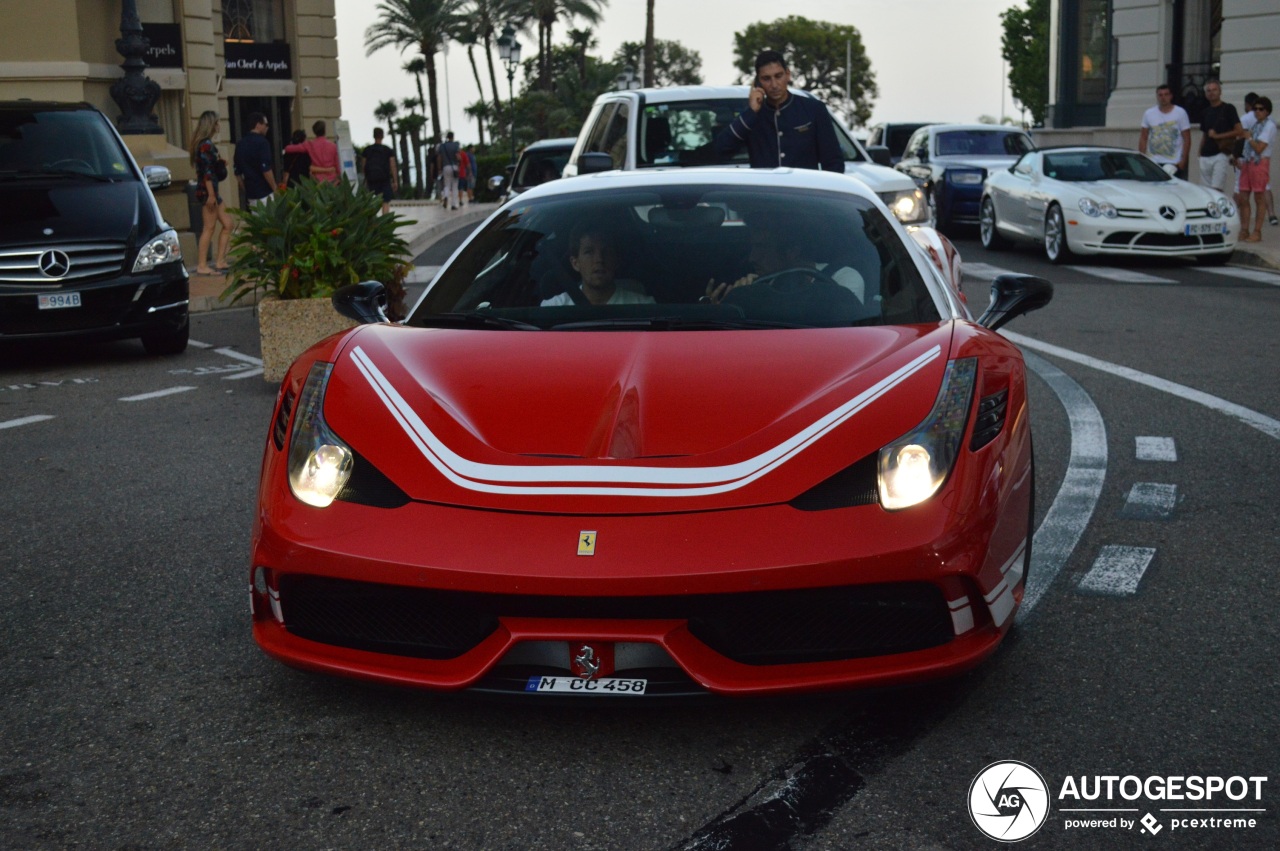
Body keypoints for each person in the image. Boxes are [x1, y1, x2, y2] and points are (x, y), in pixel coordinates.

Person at [713, 49, 844, 172]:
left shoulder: (813, 109)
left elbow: (833, 162)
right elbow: (720, 150)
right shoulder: (752, 118)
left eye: (778, 76)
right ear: (758, 82)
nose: (774, 85)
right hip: (765, 194)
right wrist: (751, 112)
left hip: (805, 192)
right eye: (766, 79)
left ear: (787, 75)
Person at [704, 220, 866, 305]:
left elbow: (842, 328)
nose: (753, 258)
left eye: (763, 248)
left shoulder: (843, 278)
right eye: (753, 248)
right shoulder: (756, 285)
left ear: (792, 251)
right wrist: (733, 305)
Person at [540, 225, 654, 306]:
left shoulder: (644, 306)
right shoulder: (553, 308)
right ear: (575, 263)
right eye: (589, 252)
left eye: (606, 252)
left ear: (616, 261)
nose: (599, 259)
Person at [187, 110, 233, 275]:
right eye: (217, 122)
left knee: (227, 224)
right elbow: (206, 173)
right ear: (211, 124)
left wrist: (219, 163)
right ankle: (202, 265)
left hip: (211, 190)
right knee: (209, 227)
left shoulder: (204, 144)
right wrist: (211, 195)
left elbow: (208, 169)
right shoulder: (206, 145)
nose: (218, 125)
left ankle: (220, 260)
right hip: (209, 192)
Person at [1235, 92, 1278, 227]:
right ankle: (1245, 228)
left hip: (1260, 162)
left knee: (1259, 197)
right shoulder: (1255, 125)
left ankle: (1257, 230)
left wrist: (1248, 137)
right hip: (1248, 161)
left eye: (1261, 109)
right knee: (1243, 195)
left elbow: (1259, 148)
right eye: (1255, 109)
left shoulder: (1269, 125)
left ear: (1267, 111)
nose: (1257, 112)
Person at [1197, 80, 1242, 195]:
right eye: (1208, 91)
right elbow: (1204, 134)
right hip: (1205, 155)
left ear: (1220, 92)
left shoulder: (1228, 108)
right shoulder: (1205, 112)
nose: (1211, 93)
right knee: (1205, 192)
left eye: (1214, 90)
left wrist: (1218, 136)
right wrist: (1199, 152)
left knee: (1217, 189)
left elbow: (1238, 130)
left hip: (1220, 153)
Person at [1139, 84, 1191, 179]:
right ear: (1157, 96)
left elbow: (1187, 138)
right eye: (1160, 95)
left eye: (1166, 94)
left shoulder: (1180, 113)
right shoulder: (1149, 113)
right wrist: (1141, 159)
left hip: (1174, 162)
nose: (1163, 98)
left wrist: (1183, 160)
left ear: (1171, 96)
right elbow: (1143, 137)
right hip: (1153, 162)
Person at [233, 111, 277, 207]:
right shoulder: (263, 143)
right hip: (265, 193)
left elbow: (237, 172)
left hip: (251, 194)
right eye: (265, 124)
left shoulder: (240, 144)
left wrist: (246, 189)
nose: (267, 127)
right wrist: (275, 188)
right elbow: (266, 169)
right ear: (258, 125)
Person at [285, 120, 339, 184]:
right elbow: (337, 165)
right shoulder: (333, 146)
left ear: (314, 132)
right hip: (332, 180)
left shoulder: (310, 145)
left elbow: (288, 148)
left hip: (317, 180)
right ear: (325, 131)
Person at [361, 127, 398, 214]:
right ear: (382, 136)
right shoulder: (388, 150)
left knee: (372, 200)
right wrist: (395, 180)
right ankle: (384, 222)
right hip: (384, 179)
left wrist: (365, 178)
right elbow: (393, 166)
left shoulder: (367, 150)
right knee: (385, 201)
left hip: (371, 179)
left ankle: (373, 222)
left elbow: (363, 165)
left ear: (373, 136)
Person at [437, 131, 461, 210]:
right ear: (453, 137)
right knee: (454, 186)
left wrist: (439, 168)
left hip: (445, 167)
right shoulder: (456, 145)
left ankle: (446, 197)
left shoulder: (442, 146)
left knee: (446, 185)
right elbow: (458, 157)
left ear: (447, 137)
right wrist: (459, 164)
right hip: (454, 167)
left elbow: (439, 158)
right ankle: (453, 204)